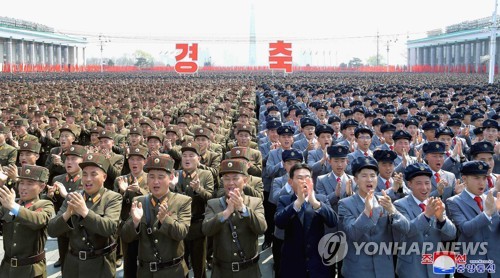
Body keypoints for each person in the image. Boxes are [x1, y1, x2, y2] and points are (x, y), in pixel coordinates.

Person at [48, 153, 122, 278]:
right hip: (73, 264)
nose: (88, 179)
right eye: (85, 174)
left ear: (104, 177)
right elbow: (52, 230)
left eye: (94, 174)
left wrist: (85, 212)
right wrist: (67, 214)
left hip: (100, 265)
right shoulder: (73, 196)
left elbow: (109, 228)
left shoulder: (112, 198)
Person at [121, 155, 192, 278]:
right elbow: (126, 237)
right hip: (146, 273)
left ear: (170, 178)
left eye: (161, 177)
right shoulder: (139, 201)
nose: (155, 182)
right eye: (151, 177)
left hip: (173, 272)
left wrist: (165, 220)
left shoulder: (182, 201)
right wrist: (135, 222)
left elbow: (182, 233)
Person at [338, 156, 409, 278]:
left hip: (384, 269)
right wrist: (367, 212)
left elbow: (406, 229)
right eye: (364, 176)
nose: (369, 180)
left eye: (372, 175)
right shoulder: (345, 204)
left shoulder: (384, 201)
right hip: (357, 270)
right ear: (356, 179)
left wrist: (392, 211)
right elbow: (353, 234)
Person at [202, 159, 267, 277]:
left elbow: (261, 228)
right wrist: (226, 213)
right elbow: (206, 230)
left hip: (248, 271)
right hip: (222, 272)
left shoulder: (255, 202)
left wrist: (243, 209)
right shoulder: (213, 204)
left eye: (235, 178)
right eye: (226, 178)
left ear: (245, 181)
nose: (231, 183)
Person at [393, 163, 456, 278]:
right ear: (409, 184)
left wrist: (441, 219)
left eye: (427, 183)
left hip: (436, 268)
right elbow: (408, 231)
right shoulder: (399, 205)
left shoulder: (436, 203)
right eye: (419, 183)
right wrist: (426, 215)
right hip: (411, 269)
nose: (424, 188)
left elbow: (451, 235)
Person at [275, 163, 337, 278]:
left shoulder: (321, 199)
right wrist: (297, 202)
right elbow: (279, 222)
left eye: (307, 177)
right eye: (299, 178)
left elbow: (333, 221)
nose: (304, 181)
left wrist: (315, 203)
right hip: (293, 264)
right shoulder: (285, 200)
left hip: (318, 264)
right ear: (290, 182)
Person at [446, 161, 500, 278]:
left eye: (484, 178)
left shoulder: (492, 200)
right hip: (470, 268)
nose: (482, 182)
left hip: (495, 266)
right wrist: (488, 213)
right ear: (464, 179)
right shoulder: (454, 202)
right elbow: (466, 229)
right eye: (476, 178)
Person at [0, 165, 55, 278]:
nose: (23, 187)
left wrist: (14, 207)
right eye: (21, 183)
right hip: (7, 269)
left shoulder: (45, 204)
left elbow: (38, 220)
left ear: (42, 186)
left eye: (30, 184)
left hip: (31, 271)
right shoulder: (9, 204)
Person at [172, 141, 214, 278]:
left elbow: (210, 199)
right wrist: (173, 187)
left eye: (191, 155)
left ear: (199, 158)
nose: (187, 158)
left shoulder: (205, 175)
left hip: (197, 226)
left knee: (199, 265)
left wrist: (199, 190)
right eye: (184, 155)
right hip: (178, 225)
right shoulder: (175, 175)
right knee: (179, 264)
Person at [46, 144, 86, 271]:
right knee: (64, 260)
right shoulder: (58, 179)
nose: (69, 162)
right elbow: (55, 203)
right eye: (67, 159)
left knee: (80, 264)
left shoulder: (86, 179)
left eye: (74, 159)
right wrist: (51, 196)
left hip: (80, 228)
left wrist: (65, 194)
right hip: (63, 227)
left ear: (82, 161)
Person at [114, 146, 149, 277]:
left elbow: (154, 199)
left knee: (146, 261)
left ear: (144, 161)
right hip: (127, 227)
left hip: (146, 226)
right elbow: (114, 204)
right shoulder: (120, 180)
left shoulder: (150, 178)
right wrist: (122, 192)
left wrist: (140, 191)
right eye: (132, 159)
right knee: (129, 263)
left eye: (138, 159)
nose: (135, 162)